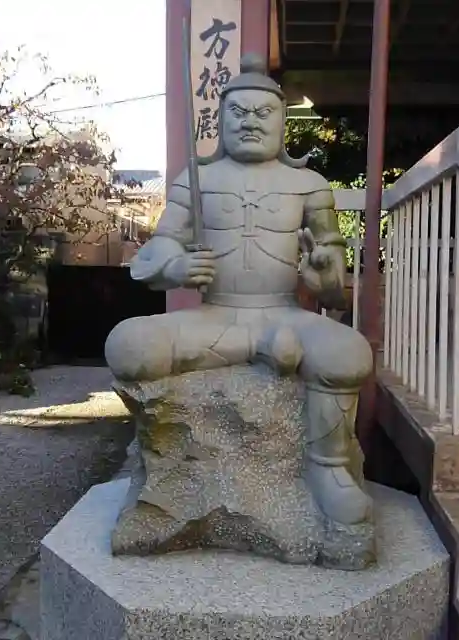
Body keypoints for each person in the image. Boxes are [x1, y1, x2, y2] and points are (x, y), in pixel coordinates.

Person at [105, 54, 373, 525]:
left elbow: (333, 280)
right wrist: (177, 265)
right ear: (220, 120)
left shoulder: (309, 185)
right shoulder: (198, 179)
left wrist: (322, 273)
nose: (250, 121)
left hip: (285, 313)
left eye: (263, 112)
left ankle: (328, 469)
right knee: (127, 346)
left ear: (283, 122)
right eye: (238, 111)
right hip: (214, 315)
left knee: (349, 354)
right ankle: (258, 348)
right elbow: (158, 249)